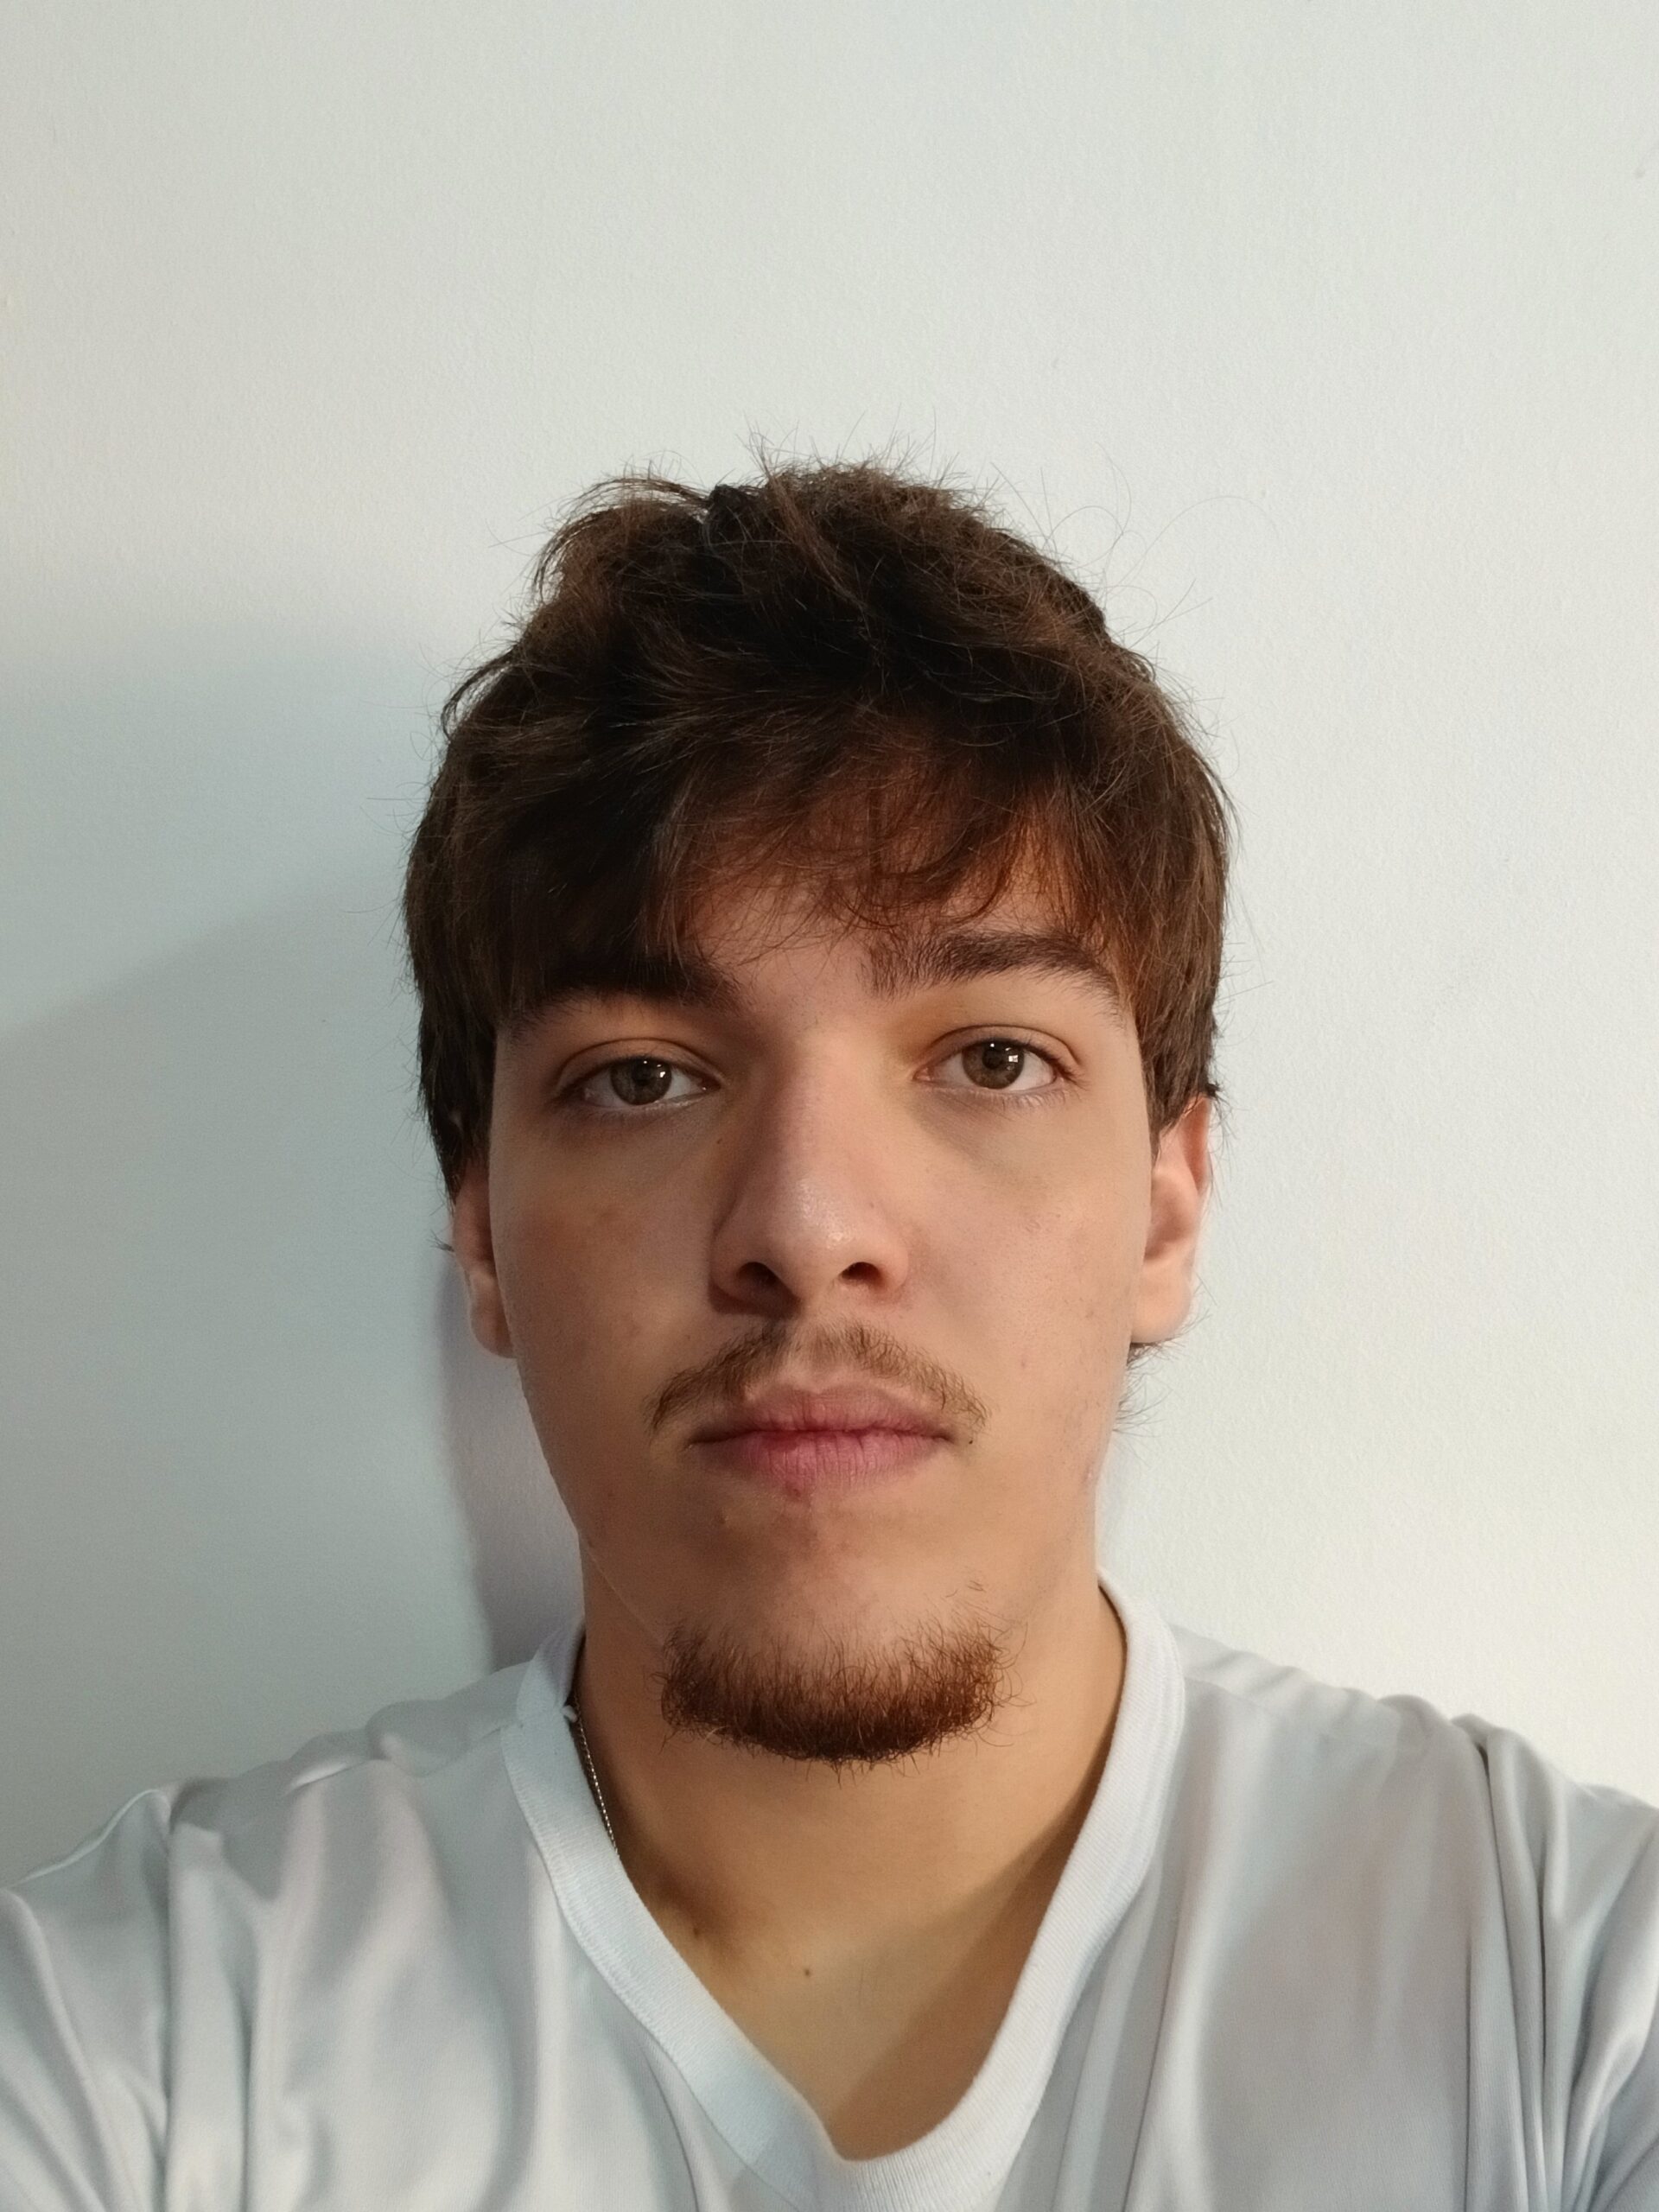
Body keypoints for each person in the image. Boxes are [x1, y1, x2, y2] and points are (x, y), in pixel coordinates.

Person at [2, 456, 1654, 2211]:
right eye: (644, 1078)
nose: (806, 1227)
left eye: (992, 1060)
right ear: (478, 1226)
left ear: (1169, 1208)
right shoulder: (137, 2040)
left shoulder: (1568, 1996)